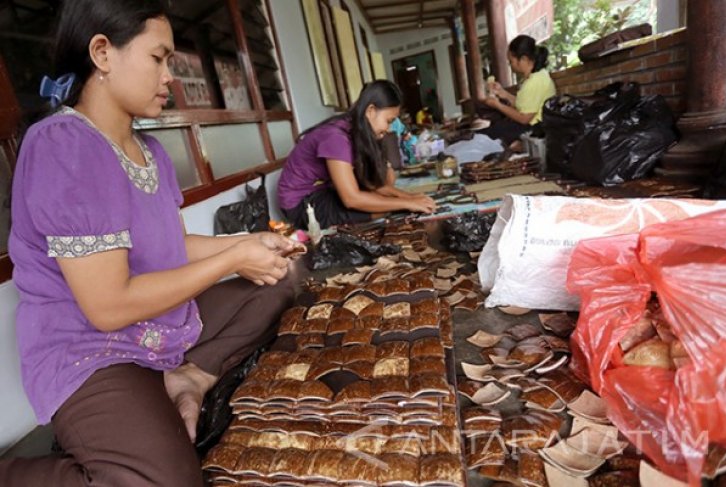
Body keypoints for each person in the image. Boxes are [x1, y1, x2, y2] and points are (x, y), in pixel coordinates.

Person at [0, 1, 301, 485]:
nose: (170, 77)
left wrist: (249, 243)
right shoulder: (63, 146)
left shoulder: (151, 151)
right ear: (103, 53)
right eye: (158, 58)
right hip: (93, 350)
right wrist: (233, 256)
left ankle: (191, 378)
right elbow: (108, 307)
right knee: (168, 480)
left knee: (282, 275)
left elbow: (171, 245)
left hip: (159, 331)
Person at [278, 80, 436, 229]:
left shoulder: (356, 130)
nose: (389, 129)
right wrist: (407, 203)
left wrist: (409, 197)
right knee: (379, 209)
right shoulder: (336, 137)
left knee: (381, 200)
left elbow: (375, 185)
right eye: (389, 121)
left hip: (322, 192)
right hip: (300, 204)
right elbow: (351, 199)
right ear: (371, 111)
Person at [479, 34, 556, 146]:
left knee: (484, 138)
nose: (511, 65)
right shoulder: (537, 76)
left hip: (533, 129)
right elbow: (525, 105)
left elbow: (524, 118)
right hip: (529, 125)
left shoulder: (535, 81)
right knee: (487, 133)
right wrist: (503, 93)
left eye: (511, 62)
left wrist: (497, 105)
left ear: (523, 59)